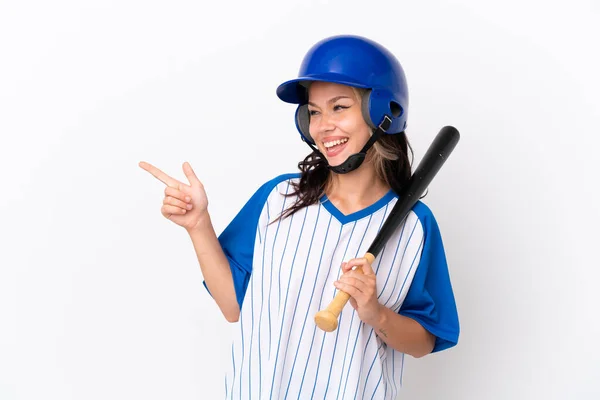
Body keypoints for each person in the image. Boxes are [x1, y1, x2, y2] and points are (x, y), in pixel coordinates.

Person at [140, 34, 459, 399]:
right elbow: (232, 306)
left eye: (339, 107)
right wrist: (198, 225)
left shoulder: (414, 226)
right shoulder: (278, 198)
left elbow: (425, 342)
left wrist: (375, 313)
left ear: (382, 113)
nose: (323, 126)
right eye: (314, 111)